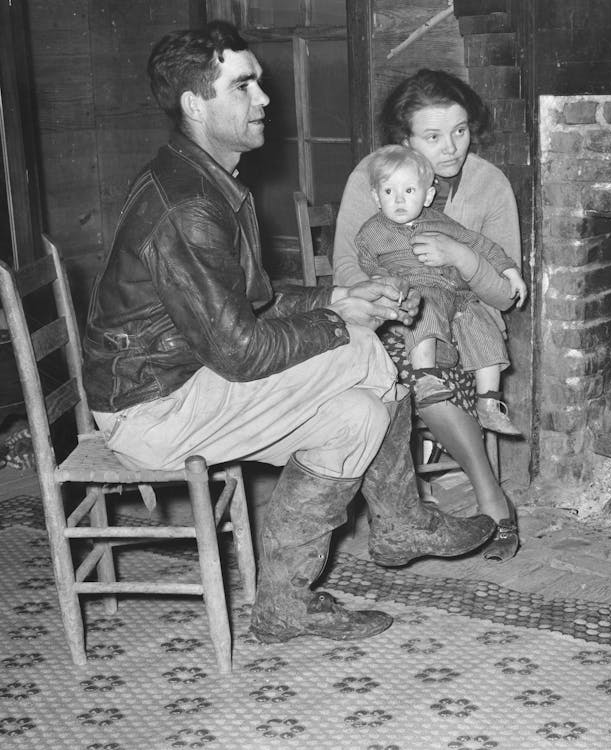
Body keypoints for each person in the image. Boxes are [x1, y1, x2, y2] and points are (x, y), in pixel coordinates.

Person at [82, 21, 496, 645]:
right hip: (152, 408)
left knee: (358, 414)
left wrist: (340, 295)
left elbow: (257, 302)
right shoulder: (188, 207)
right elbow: (241, 350)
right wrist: (342, 322)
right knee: (361, 350)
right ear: (196, 104)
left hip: (187, 380)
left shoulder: (210, 181)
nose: (264, 98)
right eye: (243, 85)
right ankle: (402, 518)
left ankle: (284, 606)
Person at [331, 69, 523, 562]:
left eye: (460, 130)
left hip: (470, 317)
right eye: (433, 136)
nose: (452, 147)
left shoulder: (490, 183)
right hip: (389, 309)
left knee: (426, 367)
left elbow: (505, 295)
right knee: (417, 365)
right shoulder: (374, 175)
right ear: (405, 140)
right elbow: (349, 264)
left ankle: (449, 504)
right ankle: (486, 502)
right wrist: (388, 297)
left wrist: (462, 258)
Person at [356, 144, 525, 435]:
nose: (398, 199)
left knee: (484, 327)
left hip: (458, 296)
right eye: (388, 192)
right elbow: (368, 265)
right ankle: (425, 378)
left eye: (409, 191)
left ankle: (489, 404)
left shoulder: (440, 222)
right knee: (425, 309)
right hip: (414, 291)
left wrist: (510, 271)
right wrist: (388, 283)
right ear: (375, 196)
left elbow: (479, 244)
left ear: (428, 195)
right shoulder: (371, 231)